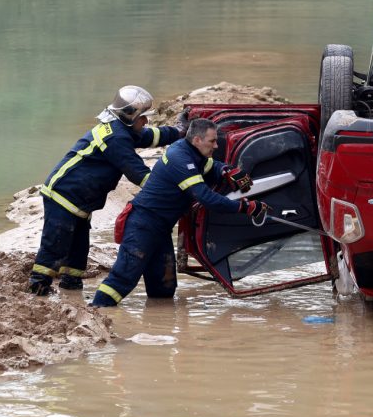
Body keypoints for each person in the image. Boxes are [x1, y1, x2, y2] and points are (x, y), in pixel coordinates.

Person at [27, 85, 188, 295]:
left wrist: (179, 131)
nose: (146, 122)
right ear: (130, 115)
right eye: (143, 117)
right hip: (64, 195)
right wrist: (174, 189)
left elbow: (150, 136)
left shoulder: (121, 129)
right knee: (55, 245)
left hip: (79, 199)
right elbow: (138, 173)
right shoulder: (116, 138)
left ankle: (71, 288)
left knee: (78, 249)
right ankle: (38, 286)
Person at [90, 117, 266, 307]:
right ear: (197, 140)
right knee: (122, 279)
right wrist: (245, 207)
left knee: (164, 288)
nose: (216, 146)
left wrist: (225, 170)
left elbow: (210, 166)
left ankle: (159, 323)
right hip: (143, 226)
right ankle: (96, 311)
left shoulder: (192, 152)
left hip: (160, 228)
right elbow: (205, 197)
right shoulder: (179, 158)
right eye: (212, 141)